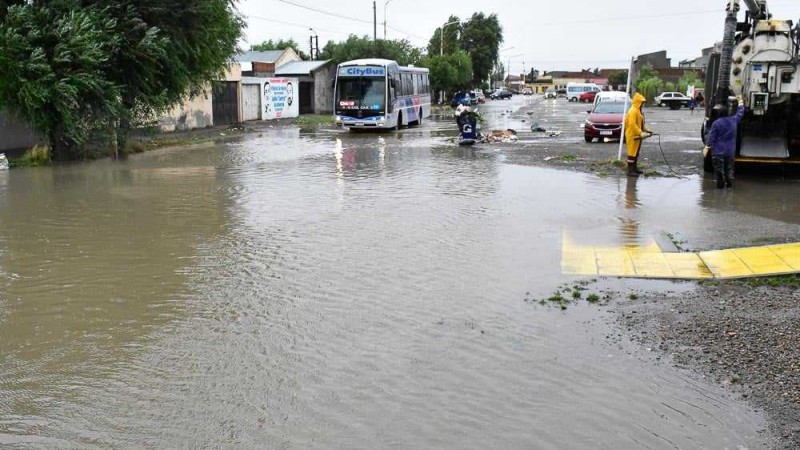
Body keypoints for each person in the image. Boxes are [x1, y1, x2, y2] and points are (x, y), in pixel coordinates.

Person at [704, 96, 745, 189]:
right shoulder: (734, 120)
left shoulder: (716, 123)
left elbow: (711, 137)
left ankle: (720, 189)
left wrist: (707, 148)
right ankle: (729, 187)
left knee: (719, 171)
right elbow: (740, 113)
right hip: (730, 151)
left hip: (718, 151)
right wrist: (740, 102)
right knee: (728, 170)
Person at [623, 92, 654, 177]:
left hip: (637, 136)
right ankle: (630, 171)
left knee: (636, 153)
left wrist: (647, 130)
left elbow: (641, 123)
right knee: (631, 153)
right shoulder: (633, 111)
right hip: (632, 136)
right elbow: (632, 124)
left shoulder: (638, 110)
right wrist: (640, 133)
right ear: (638, 102)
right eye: (642, 102)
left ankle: (634, 169)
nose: (643, 104)